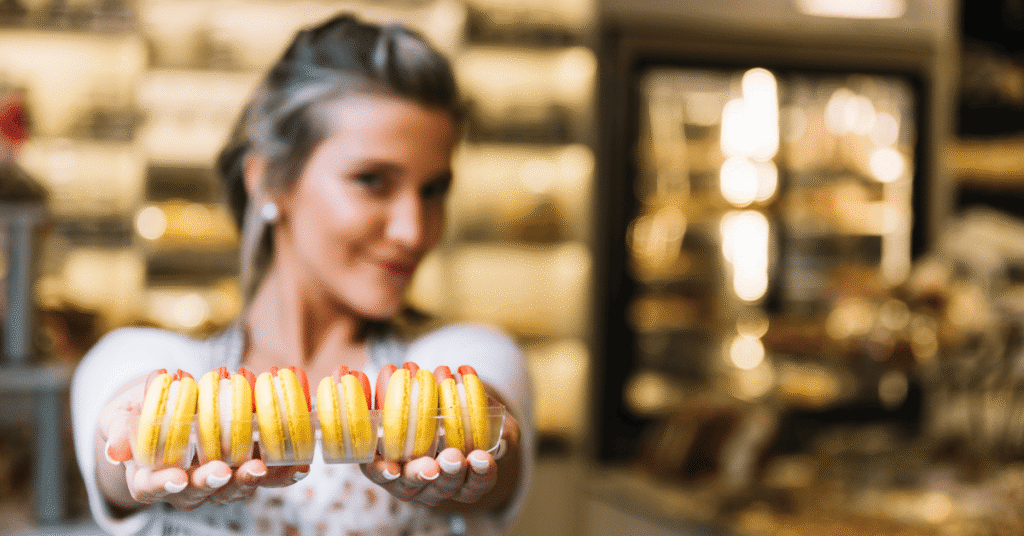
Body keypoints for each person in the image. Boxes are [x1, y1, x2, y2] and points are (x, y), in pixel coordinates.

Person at [71, 13, 534, 536]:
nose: (413, 230)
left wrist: (477, 446)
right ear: (269, 181)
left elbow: (495, 443)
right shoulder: (162, 364)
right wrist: (136, 451)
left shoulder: (460, 358)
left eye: (433, 190)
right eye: (372, 180)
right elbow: (121, 429)